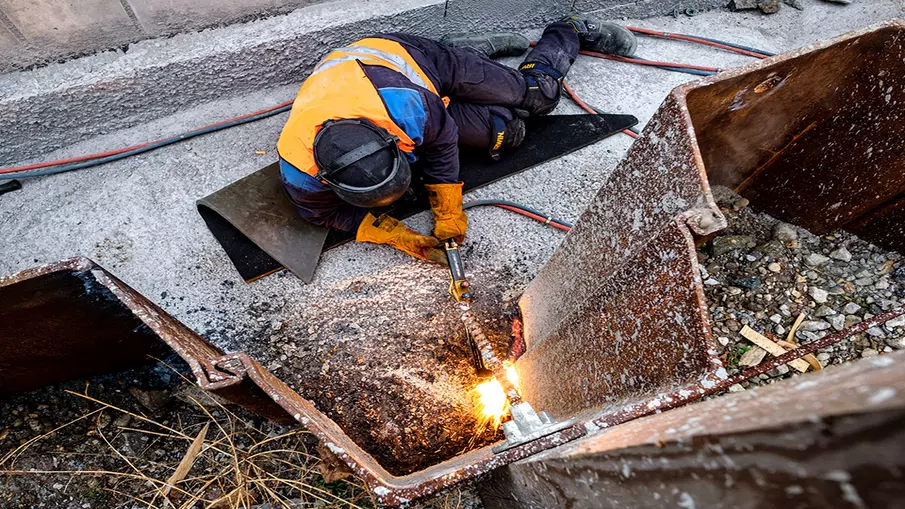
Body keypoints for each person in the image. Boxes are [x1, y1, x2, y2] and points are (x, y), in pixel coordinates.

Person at [276, 16, 637, 264]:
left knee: (539, 98)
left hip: (417, 60)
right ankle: (475, 60)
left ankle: (568, 29)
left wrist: (448, 210)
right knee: (507, 131)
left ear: (390, 140)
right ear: (326, 178)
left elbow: (442, 143)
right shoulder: (298, 169)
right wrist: (395, 236)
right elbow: (322, 214)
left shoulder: (405, 109)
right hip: (401, 88)